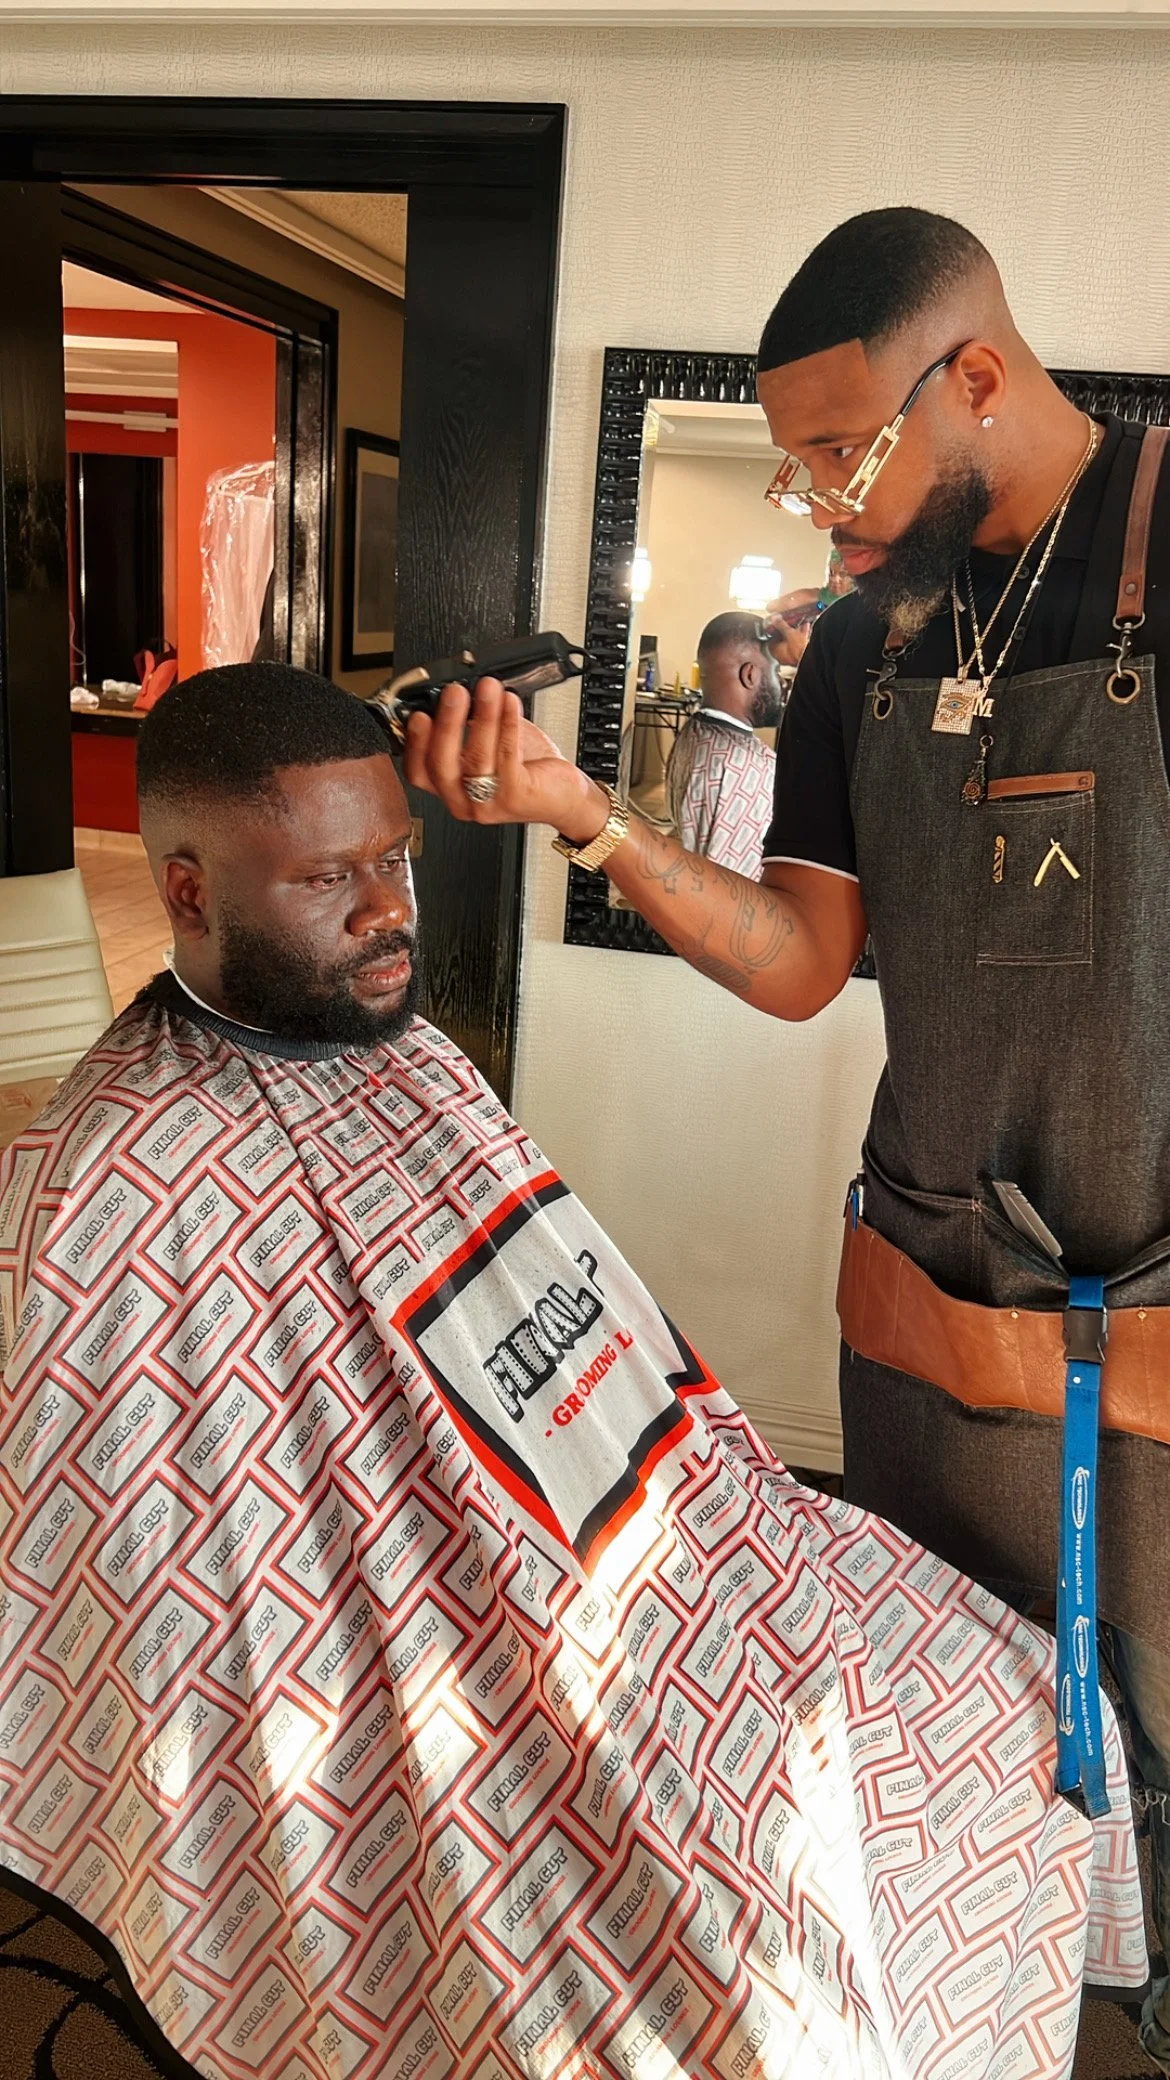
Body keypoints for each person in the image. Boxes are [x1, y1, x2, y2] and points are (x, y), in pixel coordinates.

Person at [0, 664, 1144, 2080]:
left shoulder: (405, 1056)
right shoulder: (113, 1182)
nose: (384, 912)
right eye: (324, 880)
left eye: (396, 861)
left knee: (1008, 1692)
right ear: (183, 891)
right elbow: (142, 1591)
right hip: (442, 1675)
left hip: (674, 1578)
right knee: (757, 1984)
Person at [403, 205, 1170, 2069]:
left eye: (848, 449)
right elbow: (805, 960)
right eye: (798, 458)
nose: (823, 497)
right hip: (930, 1295)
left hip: (1156, 1310)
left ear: (973, 376)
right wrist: (588, 816)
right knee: (948, 1734)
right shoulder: (868, 644)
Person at [664, 611, 782, 875]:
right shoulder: (745, 767)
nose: (780, 685)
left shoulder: (694, 732)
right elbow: (734, 893)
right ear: (750, 674)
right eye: (775, 670)